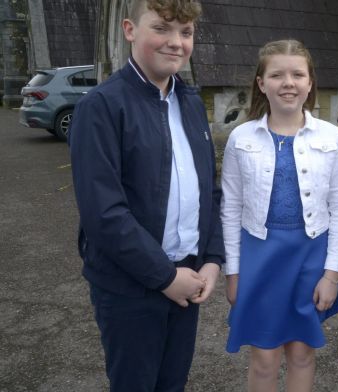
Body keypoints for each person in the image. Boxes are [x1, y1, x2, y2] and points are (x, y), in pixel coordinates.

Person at [69, 0, 224, 390]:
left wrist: (212, 260)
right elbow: (104, 213)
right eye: (162, 29)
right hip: (131, 288)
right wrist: (165, 277)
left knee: (172, 384)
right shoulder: (100, 107)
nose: (176, 42)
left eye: (185, 33)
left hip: (187, 277)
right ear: (129, 30)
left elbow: (210, 190)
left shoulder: (189, 102)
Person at [220, 39, 338, 391]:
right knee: (264, 358)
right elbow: (230, 207)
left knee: (301, 353)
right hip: (259, 256)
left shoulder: (332, 137)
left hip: (310, 256)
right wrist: (232, 271)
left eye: (297, 74)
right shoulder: (240, 138)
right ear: (262, 83)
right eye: (277, 75)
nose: (288, 82)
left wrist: (332, 275)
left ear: (310, 82)